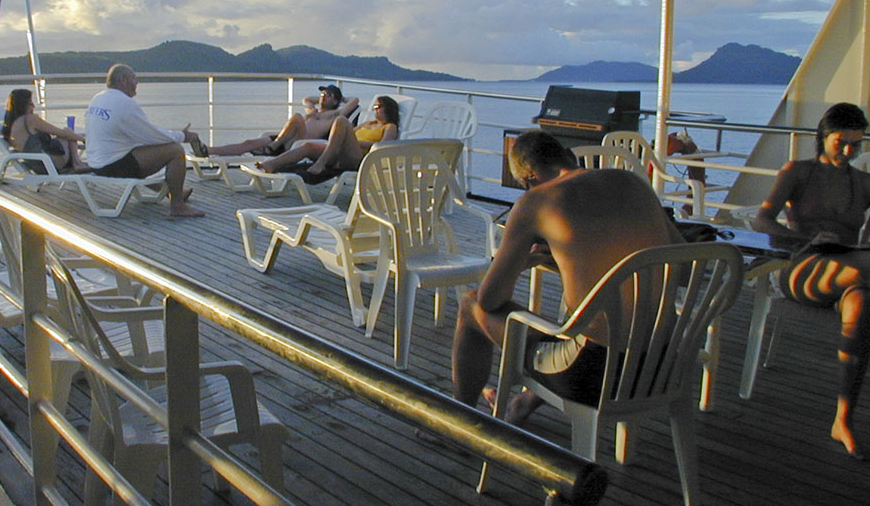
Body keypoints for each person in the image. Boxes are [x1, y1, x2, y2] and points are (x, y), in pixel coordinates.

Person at [452, 130, 683, 425]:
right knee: (577, 321)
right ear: (569, 156)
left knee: (471, 305)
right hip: (665, 364)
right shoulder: (633, 182)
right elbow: (685, 264)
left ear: (528, 178)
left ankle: (459, 422)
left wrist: (522, 263)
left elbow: (490, 300)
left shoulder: (537, 201)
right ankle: (522, 403)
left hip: (593, 377)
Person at [752, 102, 870, 458]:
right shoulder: (798, 172)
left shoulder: (863, 182)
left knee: (863, 301)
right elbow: (762, 220)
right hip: (802, 264)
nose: (848, 151)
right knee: (860, 272)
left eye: (856, 144)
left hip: (848, 270)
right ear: (823, 136)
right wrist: (803, 238)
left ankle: (843, 418)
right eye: (841, 142)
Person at [85, 64, 204, 218]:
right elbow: (151, 134)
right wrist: (182, 136)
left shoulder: (98, 98)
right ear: (123, 81)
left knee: (144, 150)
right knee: (175, 150)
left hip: (96, 163)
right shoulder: (124, 103)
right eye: (134, 78)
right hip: (113, 167)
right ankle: (177, 205)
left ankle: (175, 192)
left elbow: (143, 135)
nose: (137, 83)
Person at [256, 95, 399, 176]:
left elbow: (382, 147)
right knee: (308, 146)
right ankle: (271, 164)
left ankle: (321, 162)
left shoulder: (390, 127)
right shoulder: (367, 124)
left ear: (388, 108)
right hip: (340, 152)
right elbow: (348, 133)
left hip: (358, 158)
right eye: (374, 107)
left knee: (341, 120)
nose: (375, 110)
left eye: (378, 107)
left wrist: (355, 143)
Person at [203, 84, 359, 157]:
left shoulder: (335, 114)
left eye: (328, 95)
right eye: (322, 94)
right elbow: (306, 99)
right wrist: (322, 98)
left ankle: (275, 145)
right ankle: (209, 151)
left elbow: (355, 100)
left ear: (336, 101)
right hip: (287, 138)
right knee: (248, 143)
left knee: (297, 117)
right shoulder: (313, 111)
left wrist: (341, 99)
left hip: (300, 142)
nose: (323, 97)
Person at [2, 88, 87, 174]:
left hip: (37, 165)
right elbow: (62, 133)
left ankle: (77, 163)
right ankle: (77, 163)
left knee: (68, 134)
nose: (34, 106)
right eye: (31, 103)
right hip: (49, 163)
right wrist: (84, 139)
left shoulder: (12, 125)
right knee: (68, 132)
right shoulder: (30, 119)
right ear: (23, 105)